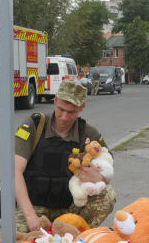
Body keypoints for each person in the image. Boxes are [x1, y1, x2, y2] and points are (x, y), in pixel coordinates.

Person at [14, 80, 115, 234]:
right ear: (54, 100)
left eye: (71, 112)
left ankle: (80, 237)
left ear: (82, 108)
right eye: (61, 109)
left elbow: (107, 171)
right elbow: (14, 171)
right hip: (35, 207)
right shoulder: (34, 125)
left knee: (107, 195)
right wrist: (30, 216)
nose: (64, 117)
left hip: (70, 208)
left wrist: (100, 178)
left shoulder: (88, 134)